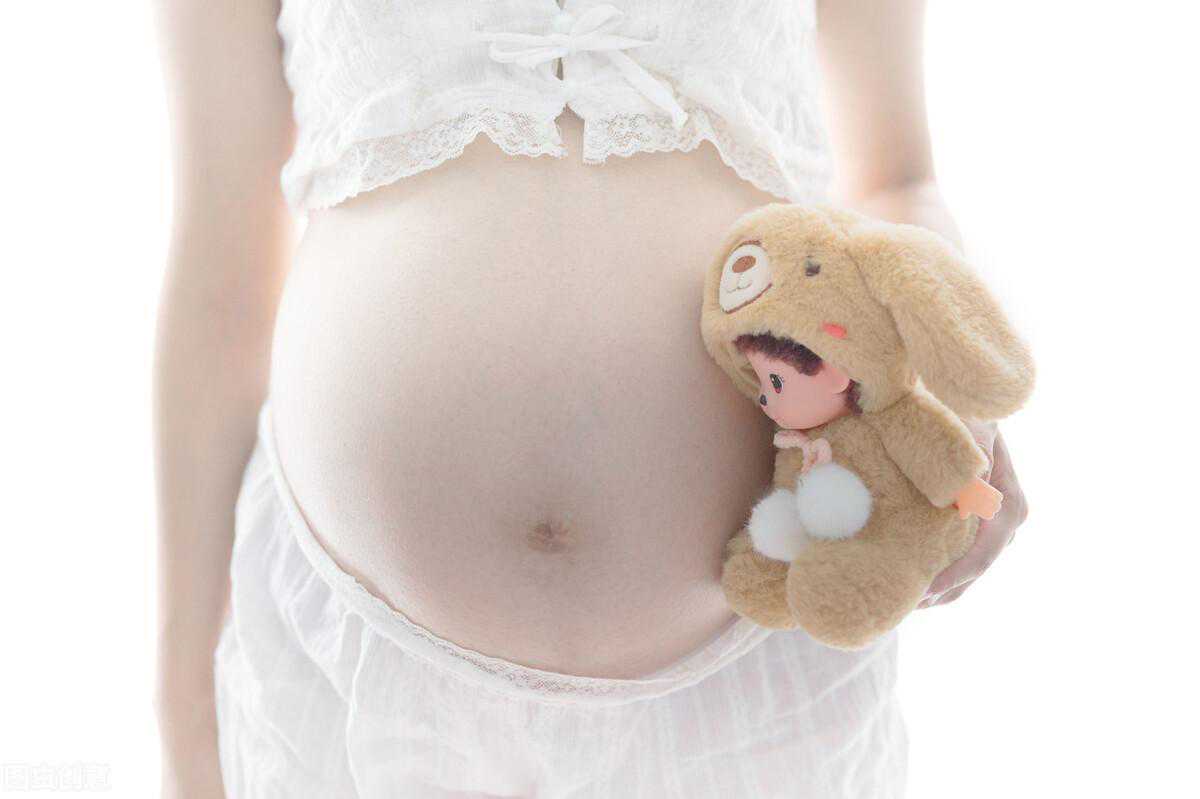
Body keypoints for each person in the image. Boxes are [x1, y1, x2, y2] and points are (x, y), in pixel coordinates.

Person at [153, 0, 1027, 795]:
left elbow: (894, 180)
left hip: (766, 675)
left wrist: (958, 402)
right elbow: (222, 285)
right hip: (359, 676)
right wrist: (185, 711)